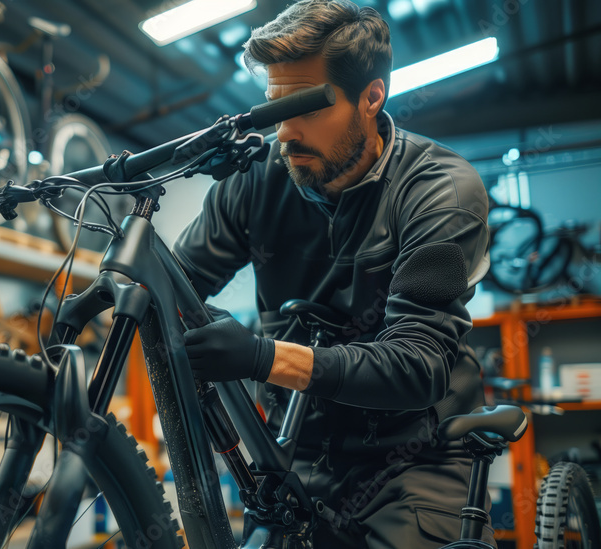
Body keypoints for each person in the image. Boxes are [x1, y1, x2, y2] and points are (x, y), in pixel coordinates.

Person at [174, 0, 493, 547]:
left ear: (372, 97)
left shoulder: (442, 192)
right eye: (277, 108)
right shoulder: (258, 180)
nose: (286, 133)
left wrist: (261, 356)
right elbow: (178, 283)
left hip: (415, 456)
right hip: (293, 452)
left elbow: (418, 366)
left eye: (308, 109)